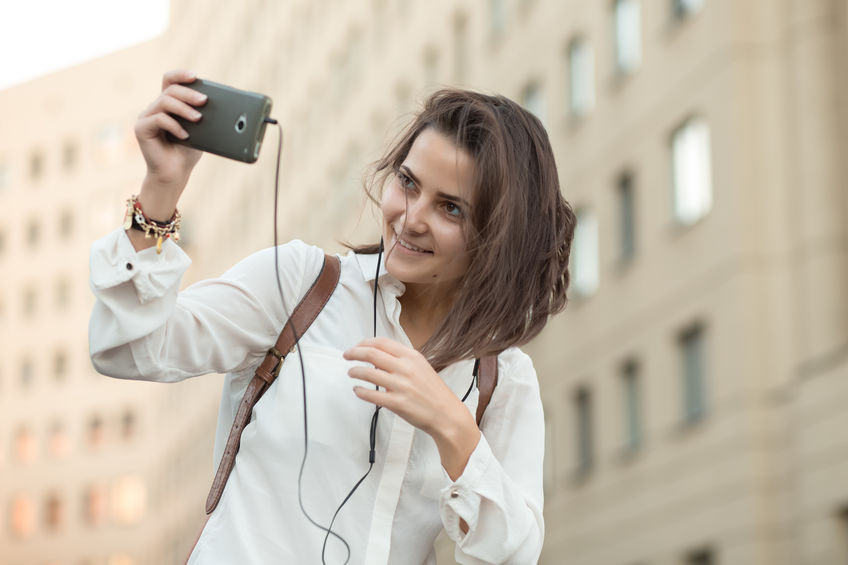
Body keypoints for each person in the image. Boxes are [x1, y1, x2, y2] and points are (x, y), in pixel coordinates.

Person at [89, 69, 575, 565]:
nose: (410, 218)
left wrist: (452, 426)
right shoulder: (301, 284)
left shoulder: (502, 378)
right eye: (407, 183)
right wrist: (161, 188)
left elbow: (512, 554)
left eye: (450, 208)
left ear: (497, 234)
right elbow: (127, 349)